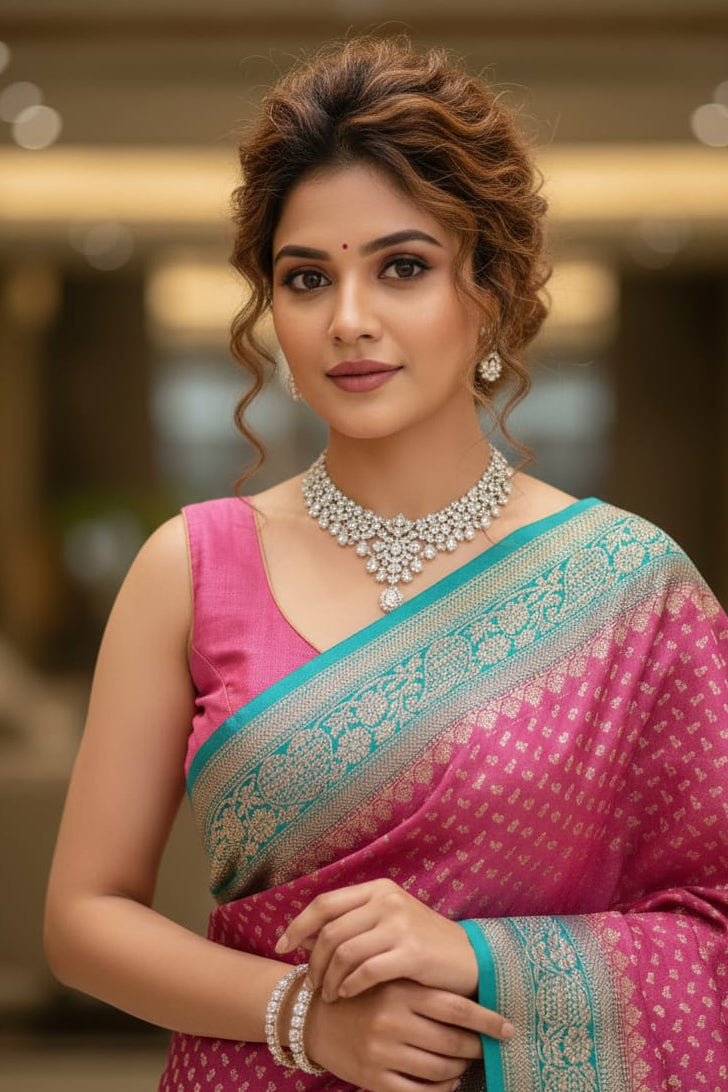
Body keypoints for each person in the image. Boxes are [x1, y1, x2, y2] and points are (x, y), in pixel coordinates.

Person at [44, 35, 728, 1092]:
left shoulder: (631, 588)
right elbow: (84, 921)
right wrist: (305, 1017)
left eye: (401, 268)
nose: (349, 321)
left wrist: (476, 959)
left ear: (488, 293)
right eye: (306, 277)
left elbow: (709, 927)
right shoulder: (190, 565)